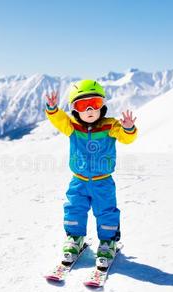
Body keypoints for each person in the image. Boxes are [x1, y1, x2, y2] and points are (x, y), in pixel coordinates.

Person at [44, 79, 138, 262]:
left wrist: (128, 129)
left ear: (102, 106)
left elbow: (127, 139)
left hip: (103, 181)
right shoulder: (72, 126)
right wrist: (53, 109)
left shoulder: (111, 126)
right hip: (78, 180)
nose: (89, 110)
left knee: (106, 211)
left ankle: (108, 242)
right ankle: (75, 238)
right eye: (82, 105)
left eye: (94, 104)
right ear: (74, 109)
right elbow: (59, 120)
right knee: (74, 208)